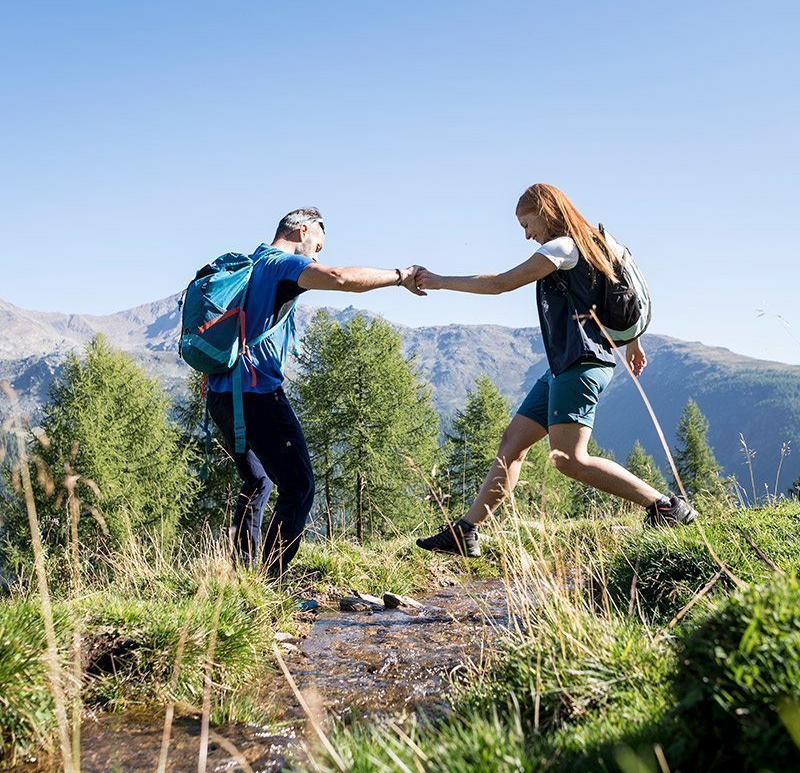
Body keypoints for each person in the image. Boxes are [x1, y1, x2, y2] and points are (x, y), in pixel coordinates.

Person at [414, 183, 697, 558]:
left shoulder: (563, 246)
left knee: (568, 459)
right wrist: (633, 340)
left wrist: (438, 281)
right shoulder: (593, 243)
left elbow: (501, 284)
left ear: (545, 212)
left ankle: (665, 507)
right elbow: (621, 297)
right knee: (512, 444)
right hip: (563, 366)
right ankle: (465, 532)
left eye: (526, 224)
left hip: (580, 364)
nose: (526, 235)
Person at [207, 207, 425, 576]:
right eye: (317, 246)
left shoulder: (248, 265)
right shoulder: (279, 264)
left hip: (220, 395)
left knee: (257, 481)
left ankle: (243, 579)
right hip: (257, 395)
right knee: (300, 487)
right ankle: (269, 583)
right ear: (302, 230)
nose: (317, 256)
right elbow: (339, 278)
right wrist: (400, 276)